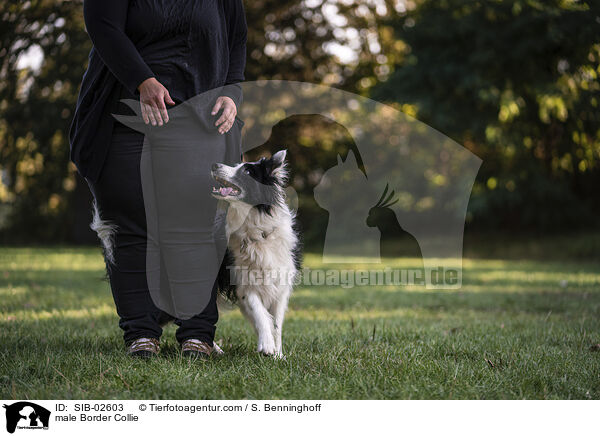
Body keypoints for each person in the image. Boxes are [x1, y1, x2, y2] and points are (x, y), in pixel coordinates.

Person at [69, 0, 247, 359]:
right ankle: (141, 335)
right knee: (131, 225)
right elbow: (104, 27)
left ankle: (197, 335)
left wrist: (232, 91)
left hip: (200, 120)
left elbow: (236, 38)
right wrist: (142, 80)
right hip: (126, 114)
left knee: (198, 225)